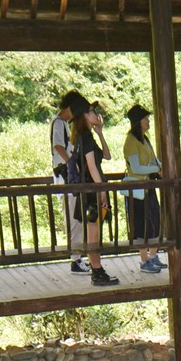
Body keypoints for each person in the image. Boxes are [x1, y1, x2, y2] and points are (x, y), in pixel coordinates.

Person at [68, 103, 118, 287]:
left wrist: (100, 132)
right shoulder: (85, 138)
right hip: (92, 192)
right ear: (84, 116)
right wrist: (102, 190)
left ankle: (97, 270)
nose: (96, 114)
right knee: (93, 235)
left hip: (88, 189)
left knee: (93, 233)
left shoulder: (85, 137)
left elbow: (107, 155)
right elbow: (92, 166)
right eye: (91, 112)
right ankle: (97, 271)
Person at [122, 104, 164, 274]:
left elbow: (153, 160)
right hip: (137, 189)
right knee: (141, 225)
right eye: (146, 118)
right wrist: (156, 170)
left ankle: (153, 256)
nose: (148, 121)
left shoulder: (144, 138)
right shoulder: (131, 140)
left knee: (155, 221)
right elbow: (136, 168)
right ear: (139, 121)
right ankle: (144, 260)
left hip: (148, 187)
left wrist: (159, 167)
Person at [54, 90, 89, 273]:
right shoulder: (59, 123)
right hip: (66, 177)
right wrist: (71, 164)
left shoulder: (62, 124)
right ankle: (75, 259)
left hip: (66, 176)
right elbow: (58, 146)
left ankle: (78, 257)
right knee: (74, 219)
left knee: (76, 217)